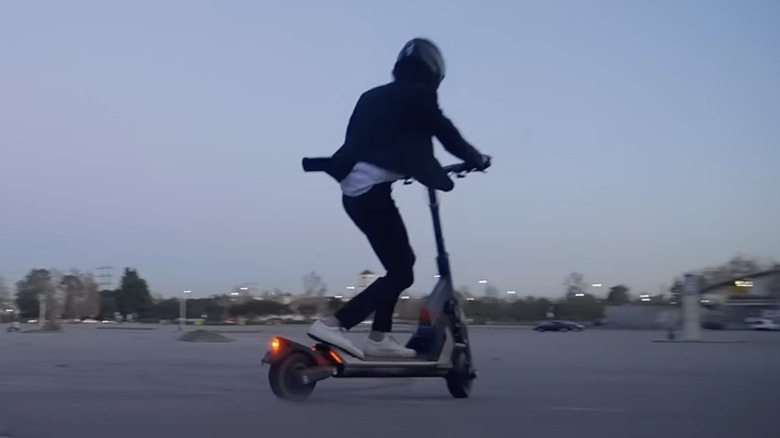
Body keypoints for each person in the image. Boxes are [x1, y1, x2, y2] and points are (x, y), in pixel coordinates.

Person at [308, 37, 491, 359]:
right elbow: (447, 135)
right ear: (433, 71)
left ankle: (379, 338)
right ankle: (334, 324)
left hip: (355, 193)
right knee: (403, 271)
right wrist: (477, 159)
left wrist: (410, 166)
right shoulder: (419, 97)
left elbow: (377, 139)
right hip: (371, 193)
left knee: (398, 266)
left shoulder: (375, 96)